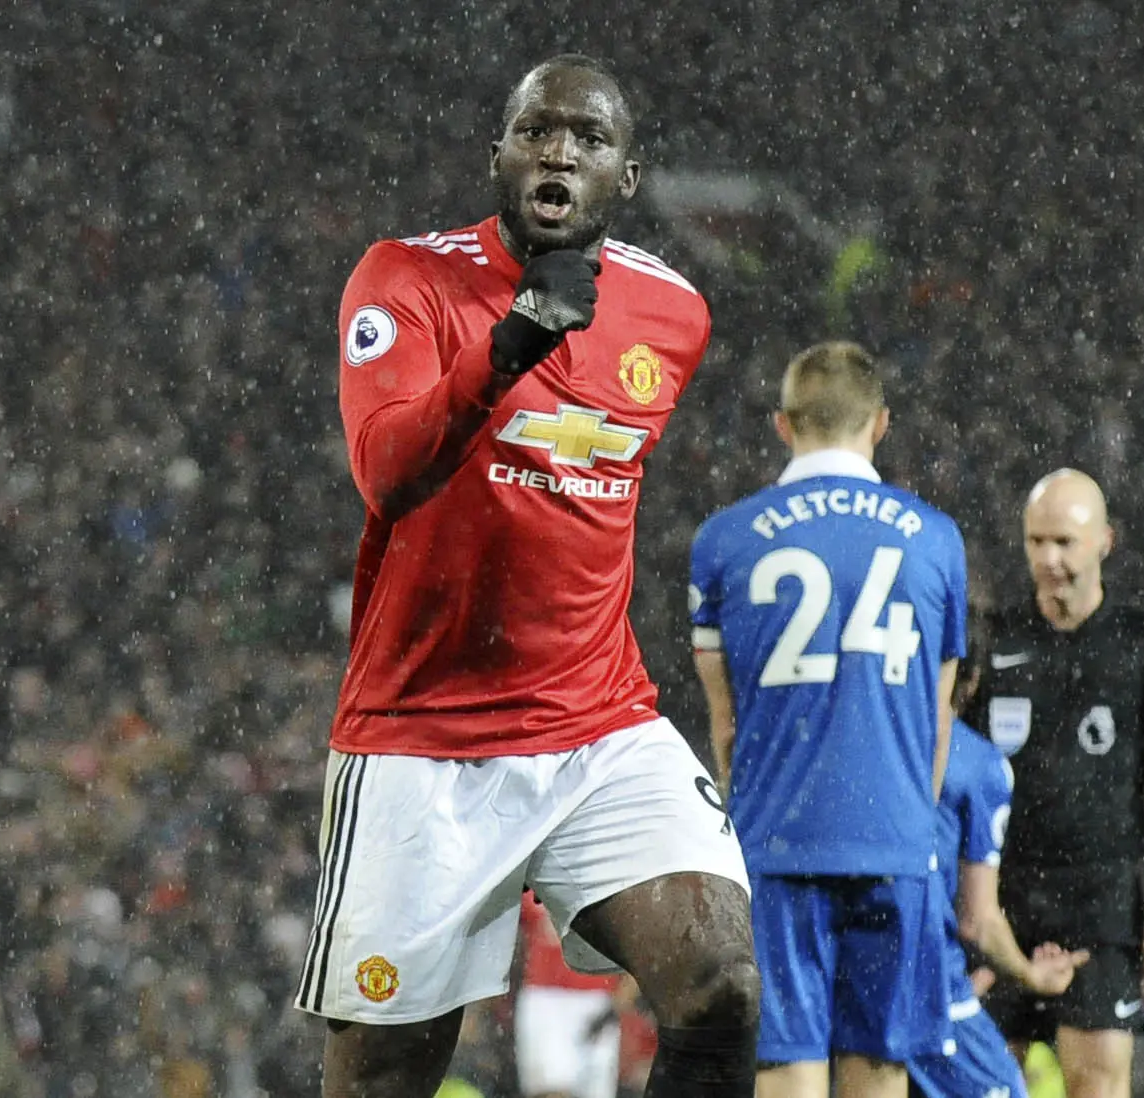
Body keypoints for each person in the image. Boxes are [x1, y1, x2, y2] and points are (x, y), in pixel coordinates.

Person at [296, 54, 758, 1098]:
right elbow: (386, 472)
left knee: (726, 985)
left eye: (588, 138)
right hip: (425, 738)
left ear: (626, 176)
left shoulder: (672, 312)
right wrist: (506, 347)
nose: (559, 150)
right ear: (497, 153)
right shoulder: (403, 278)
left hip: (596, 723)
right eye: (536, 130)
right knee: (385, 1074)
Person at [687, 342, 968, 1098]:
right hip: (896, 842)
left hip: (779, 839)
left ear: (782, 425)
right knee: (879, 1070)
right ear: (880, 425)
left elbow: (726, 725)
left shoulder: (725, 541)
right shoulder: (936, 539)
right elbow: (939, 721)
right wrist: (912, 825)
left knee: (784, 1069)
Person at [960, 470, 1144, 1098]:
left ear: (1104, 541)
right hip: (1000, 901)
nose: (1049, 559)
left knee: (1098, 1083)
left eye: (1065, 543)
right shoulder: (994, 642)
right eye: (1036, 541)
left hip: (1100, 908)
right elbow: (947, 768)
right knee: (982, 1082)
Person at [908, 710, 1087, 1098]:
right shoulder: (975, 759)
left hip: (831, 972)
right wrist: (1029, 973)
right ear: (967, 681)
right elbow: (979, 921)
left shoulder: (858, 736)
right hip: (927, 985)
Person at [515, 896, 635, 1098]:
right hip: (545, 1000)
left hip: (597, 1001)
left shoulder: (611, 886)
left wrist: (625, 994)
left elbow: (635, 939)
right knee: (549, 1090)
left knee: (596, 1092)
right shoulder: (533, 884)